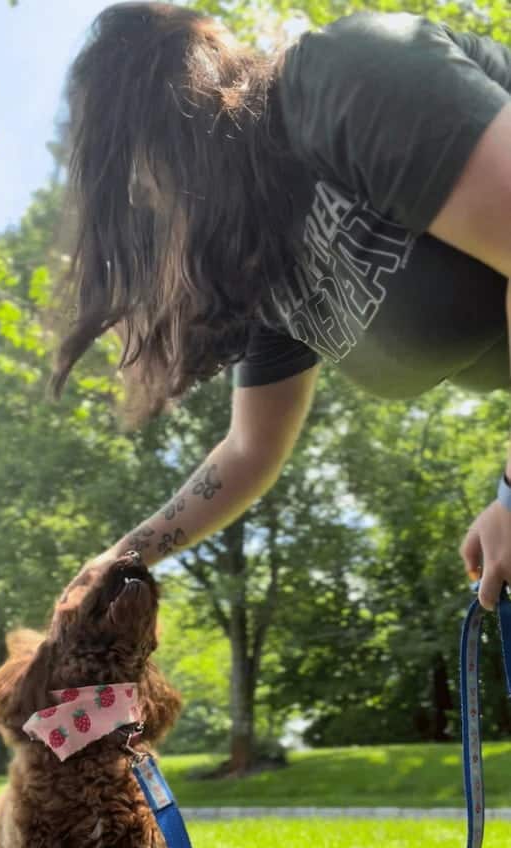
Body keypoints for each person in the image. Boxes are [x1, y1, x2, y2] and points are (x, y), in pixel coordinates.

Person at [53, 2, 511, 612]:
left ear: (166, 114)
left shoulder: (351, 74)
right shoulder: (268, 271)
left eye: (130, 168)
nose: (139, 196)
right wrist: (120, 560)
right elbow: (248, 451)